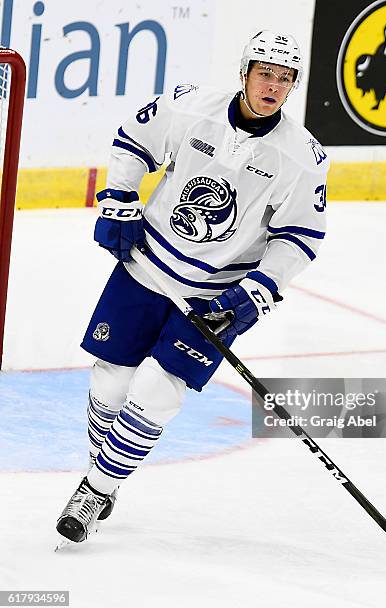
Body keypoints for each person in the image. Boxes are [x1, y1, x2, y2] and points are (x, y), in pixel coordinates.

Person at [56, 30, 329, 544]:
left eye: (285, 78)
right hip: (147, 268)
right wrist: (119, 198)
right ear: (245, 72)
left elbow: (300, 236)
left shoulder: (302, 157)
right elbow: (134, 143)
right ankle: (106, 476)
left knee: (157, 392)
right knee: (110, 383)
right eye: (266, 72)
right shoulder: (189, 107)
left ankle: (93, 491)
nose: (274, 85)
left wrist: (259, 288)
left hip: (214, 298)